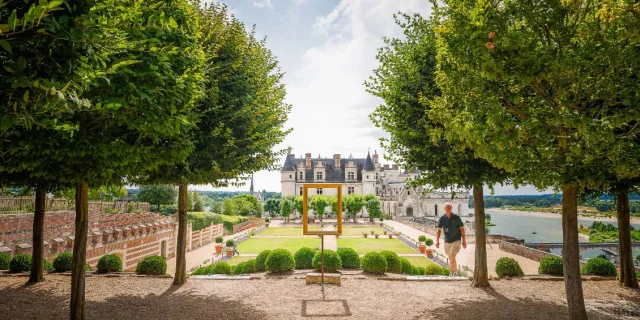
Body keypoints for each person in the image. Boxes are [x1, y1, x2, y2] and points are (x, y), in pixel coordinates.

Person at [435, 203, 467, 276]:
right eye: (446, 209)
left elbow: (462, 229)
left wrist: (464, 241)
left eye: (449, 208)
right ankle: (452, 272)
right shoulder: (442, 218)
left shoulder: (456, 217)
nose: (448, 210)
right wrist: (437, 241)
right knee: (451, 257)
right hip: (447, 241)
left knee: (452, 255)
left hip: (456, 240)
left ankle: (454, 272)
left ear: (451, 208)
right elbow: (439, 230)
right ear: (444, 209)